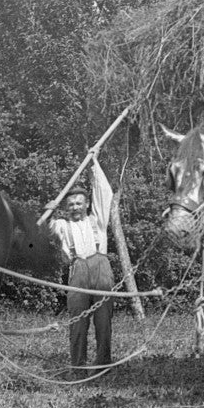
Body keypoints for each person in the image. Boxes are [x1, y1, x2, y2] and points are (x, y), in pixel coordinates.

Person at [51, 156, 116, 370]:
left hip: (101, 271)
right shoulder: (61, 225)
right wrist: (49, 209)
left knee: (103, 322)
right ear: (65, 208)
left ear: (87, 204)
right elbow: (42, 226)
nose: (75, 207)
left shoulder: (97, 219)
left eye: (79, 203)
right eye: (70, 204)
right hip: (77, 272)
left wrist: (94, 165)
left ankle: (103, 364)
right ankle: (78, 366)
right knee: (77, 324)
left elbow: (104, 193)